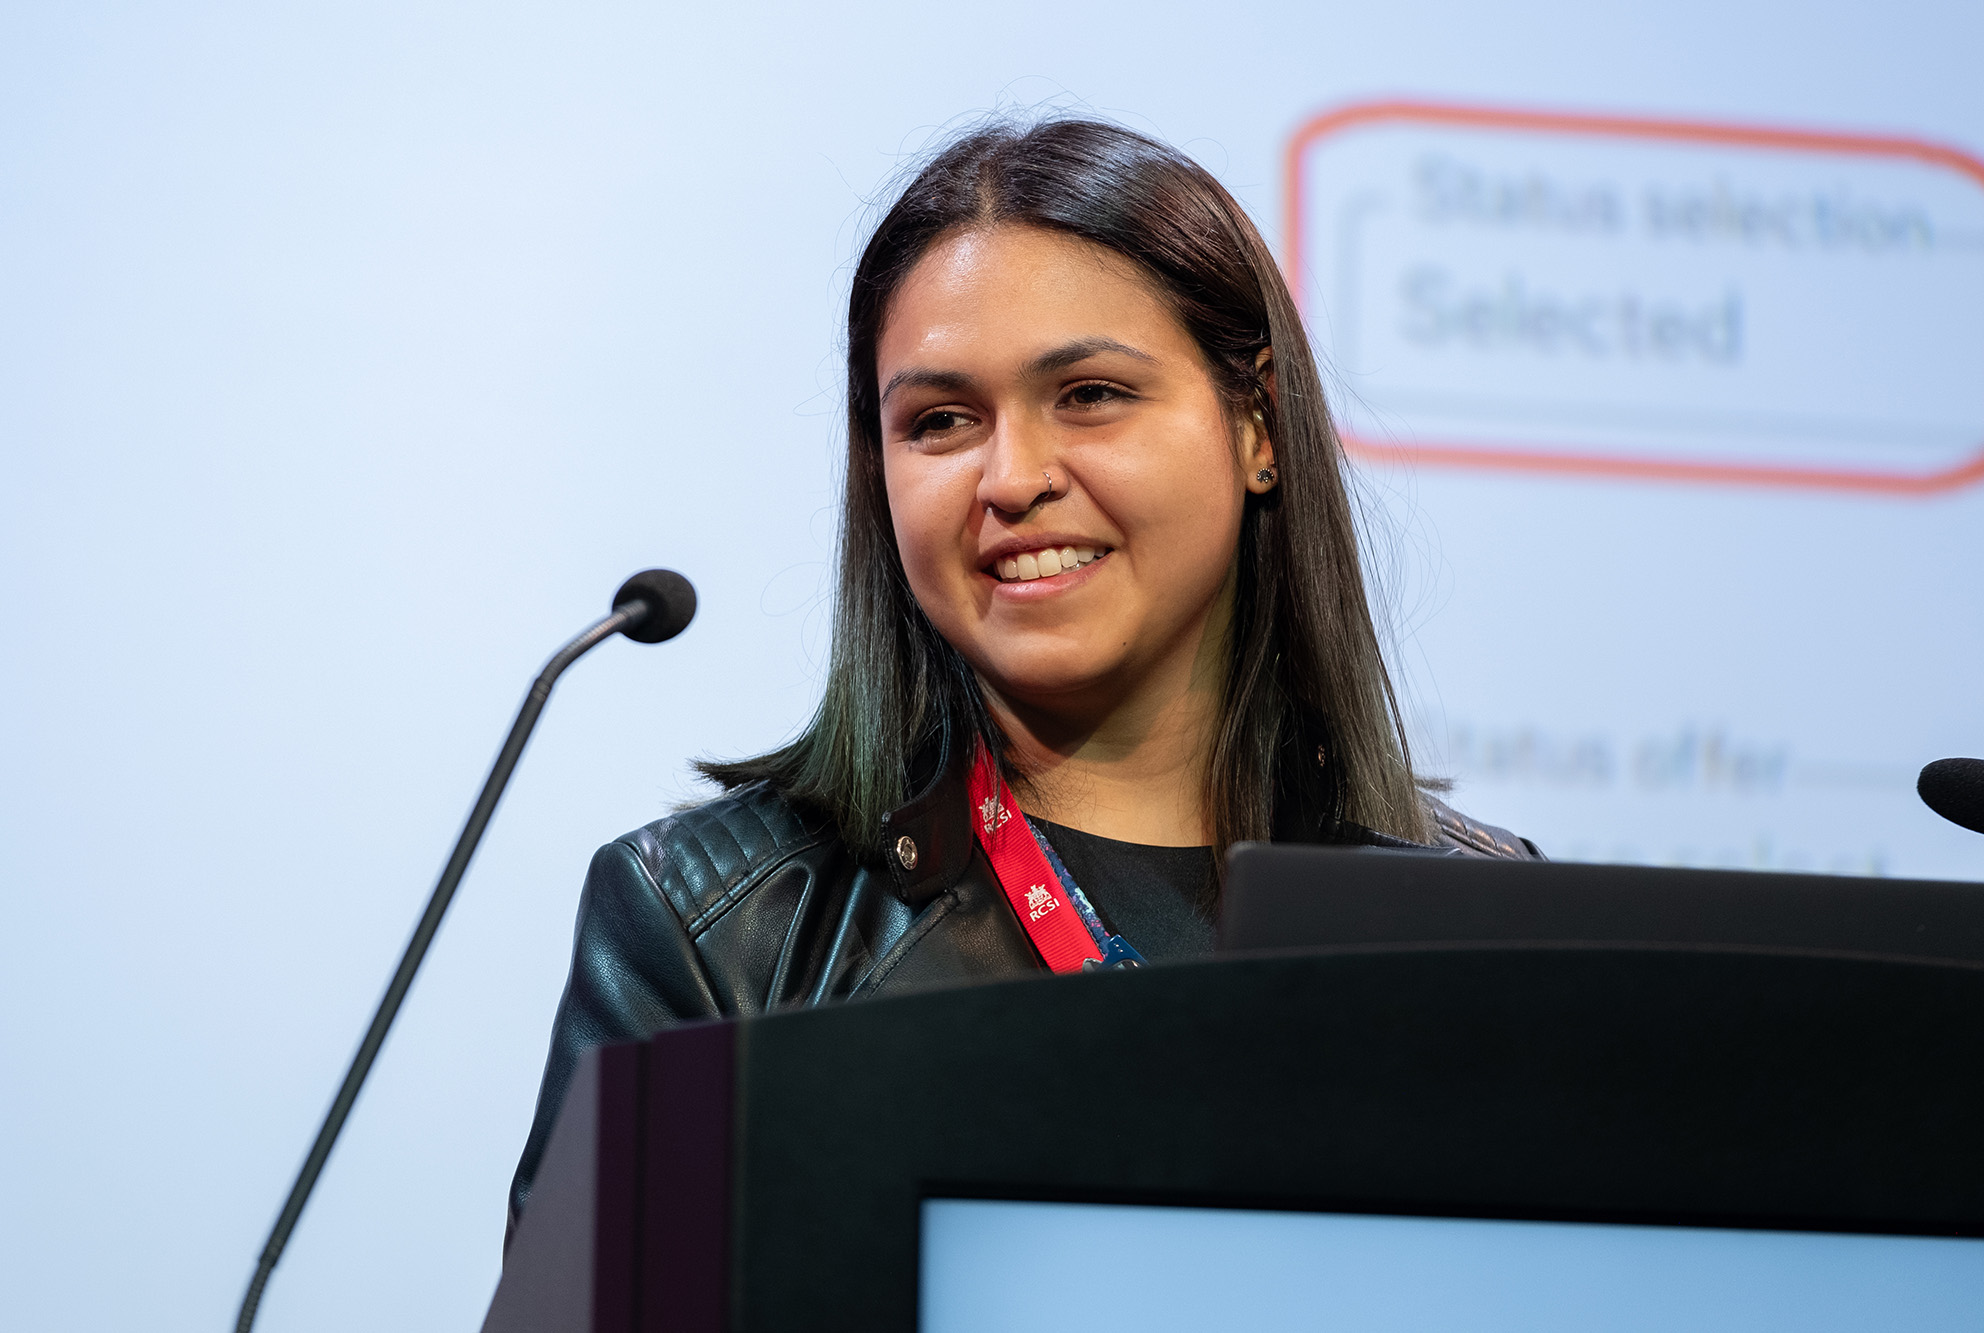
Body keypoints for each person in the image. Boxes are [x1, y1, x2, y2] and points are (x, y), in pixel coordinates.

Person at [506, 118, 1540, 1235]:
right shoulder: (719, 933)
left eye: (1089, 394)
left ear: (1256, 424)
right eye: (940, 421)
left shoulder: (1482, 921)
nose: (1012, 479)